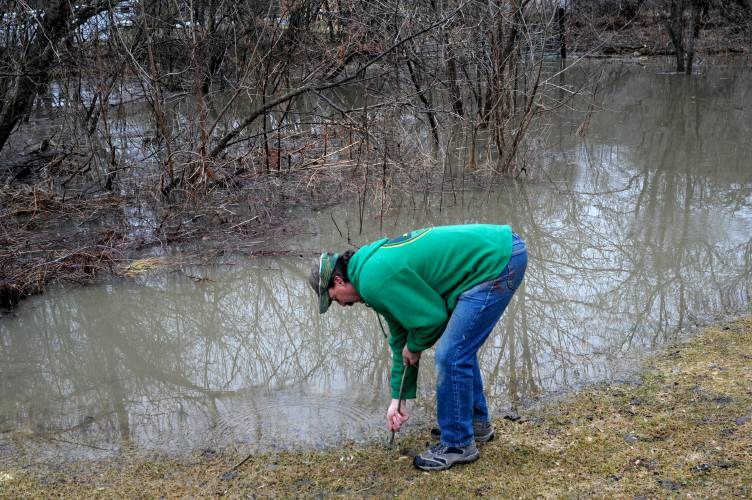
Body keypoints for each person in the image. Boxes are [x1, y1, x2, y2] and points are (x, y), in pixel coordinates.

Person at [308, 224, 527, 471]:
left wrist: (415, 347)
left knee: (451, 354)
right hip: (500, 250)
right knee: (460, 350)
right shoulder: (369, 270)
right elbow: (400, 339)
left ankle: (458, 443)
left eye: (334, 298)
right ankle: (476, 425)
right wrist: (398, 400)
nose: (341, 305)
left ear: (338, 280)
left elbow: (432, 320)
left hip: (497, 261)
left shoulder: (372, 280)